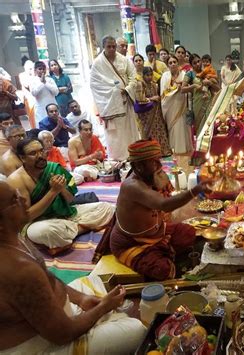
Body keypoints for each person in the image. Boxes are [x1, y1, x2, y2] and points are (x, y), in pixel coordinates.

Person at [0, 181, 146, 354]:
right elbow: (62, 334)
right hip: (40, 345)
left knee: (95, 281)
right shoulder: (18, 270)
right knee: (136, 330)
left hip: (56, 318)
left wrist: (81, 298)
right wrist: (102, 308)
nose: (24, 200)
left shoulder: (15, 238)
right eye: (15, 199)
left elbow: (47, 277)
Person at [106, 140, 212, 280]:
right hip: (132, 243)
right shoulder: (131, 186)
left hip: (158, 233)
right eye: (154, 162)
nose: (160, 165)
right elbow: (164, 204)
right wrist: (196, 190)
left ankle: (164, 252)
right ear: (139, 166)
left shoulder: (152, 177)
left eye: (159, 160)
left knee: (188, 232)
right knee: (163, 270)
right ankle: (166, 259)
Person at [7, 138, 115, 254]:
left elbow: (70, 200)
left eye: (41, 151)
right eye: (33, 153)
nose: (40, 156)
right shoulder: (17, 180)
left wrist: (62, 189)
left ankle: (74, 231)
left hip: (66, 214)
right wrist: (53, 192)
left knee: (107, 208)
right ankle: (80, 227)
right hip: (40, 222)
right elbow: (27, 216)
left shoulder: (53, 168)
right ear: (23, 158)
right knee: (42, 232)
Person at [90, 36, 140, 161]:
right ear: (103, 47)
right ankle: (118, 159)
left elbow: (133, 77)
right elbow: (95, 85)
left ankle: (132, 157)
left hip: (126, 101)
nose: (112, 49)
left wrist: (127, 89)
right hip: (110, 105)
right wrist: (113, 91)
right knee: (115, 135)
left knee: (129, 132)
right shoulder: (98, 63)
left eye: (113, 46)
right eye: (109, 46)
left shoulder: (124, 60)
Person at [135, 67, 172, 155]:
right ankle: (150, 153)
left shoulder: (155, 85)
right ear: (143, 75)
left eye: (151, 75)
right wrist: (152, 99)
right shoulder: (140, 84)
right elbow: (139, 99)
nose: (150, 77)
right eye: (147, 75)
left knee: (159, 130)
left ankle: (162, 151)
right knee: (148, 132)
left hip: (156, 112)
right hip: (146, 114)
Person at [161, 55, 192, 154]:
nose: (173, 64)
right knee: (173, 127)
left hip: (181, 103)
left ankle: (184, 148)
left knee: (182, 125)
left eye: (174, 62)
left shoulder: (184, 74)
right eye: (170, 63)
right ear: (168, 65)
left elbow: (189, 88)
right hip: (169, 105)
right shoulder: (165, 76)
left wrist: (182, 85)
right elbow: (163, 92)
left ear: (178, 63)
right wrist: (174, 87)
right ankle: (173, 148)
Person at [182, 54, 220, 135]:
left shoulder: (207, 72)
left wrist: (209, 83)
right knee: (200, 128)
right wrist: (194, 86)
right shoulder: (190, 74)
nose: (198, 64)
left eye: (199, 61)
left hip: (209, 102)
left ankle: (212, 146)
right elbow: (183, 89)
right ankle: (201, 146)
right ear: (191, 65)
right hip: (198, 103)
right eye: (194, 63)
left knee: (210, 126)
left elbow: (218, 89)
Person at [30, 61, 59, 125]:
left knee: (56, 124)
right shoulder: (33, 81)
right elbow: (34, 93)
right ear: (35, 70)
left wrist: (45, 83)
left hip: (52, 105)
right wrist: (42, 83)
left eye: (43, 69)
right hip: (41, 108)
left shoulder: (50, 80)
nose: (42, 71)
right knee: (43, 126)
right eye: (40, 69)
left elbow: (56, 92)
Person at [19, 59, 36, 128]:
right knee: (32, 116)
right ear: (25, 68)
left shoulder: (35, 75)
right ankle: (34, 128)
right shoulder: (22, 75)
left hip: (36, 98)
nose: (31, 70)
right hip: (29, 99)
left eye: (32, 68)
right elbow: (26, 85)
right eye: (29, 68)